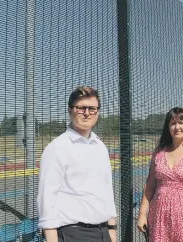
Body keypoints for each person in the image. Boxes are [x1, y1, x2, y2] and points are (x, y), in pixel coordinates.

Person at [37, 86, 117, 242]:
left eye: (92, 108)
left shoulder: (100, 147)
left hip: (103, 232)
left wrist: (112, 232)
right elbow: (47, 199)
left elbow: (107, 191)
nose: (87, 113)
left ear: (98, 112)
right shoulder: (57, 148)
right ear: (70, 110)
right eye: (81, 108)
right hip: (73, 234)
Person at [137, 107, 183, 242]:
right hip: (159, 220)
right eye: (173, 123)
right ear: (168, 127)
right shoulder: (159, 153)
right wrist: (142, 214)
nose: (177, 127)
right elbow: (150, 185)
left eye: (181, 122)